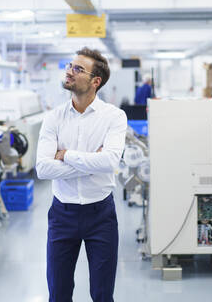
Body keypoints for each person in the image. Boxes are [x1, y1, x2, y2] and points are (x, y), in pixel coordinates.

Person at [36, 47, 127, 302]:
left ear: (95, 81)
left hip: (101, 215)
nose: (69, 72)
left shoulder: (114, 117)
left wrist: (65, 155)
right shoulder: (53, 118)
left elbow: (109, 161)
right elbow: (43, 168)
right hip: (62, 214)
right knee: (59, 292)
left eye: (78, 69)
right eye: (69, 66)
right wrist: (90, 162)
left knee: (102, 294)